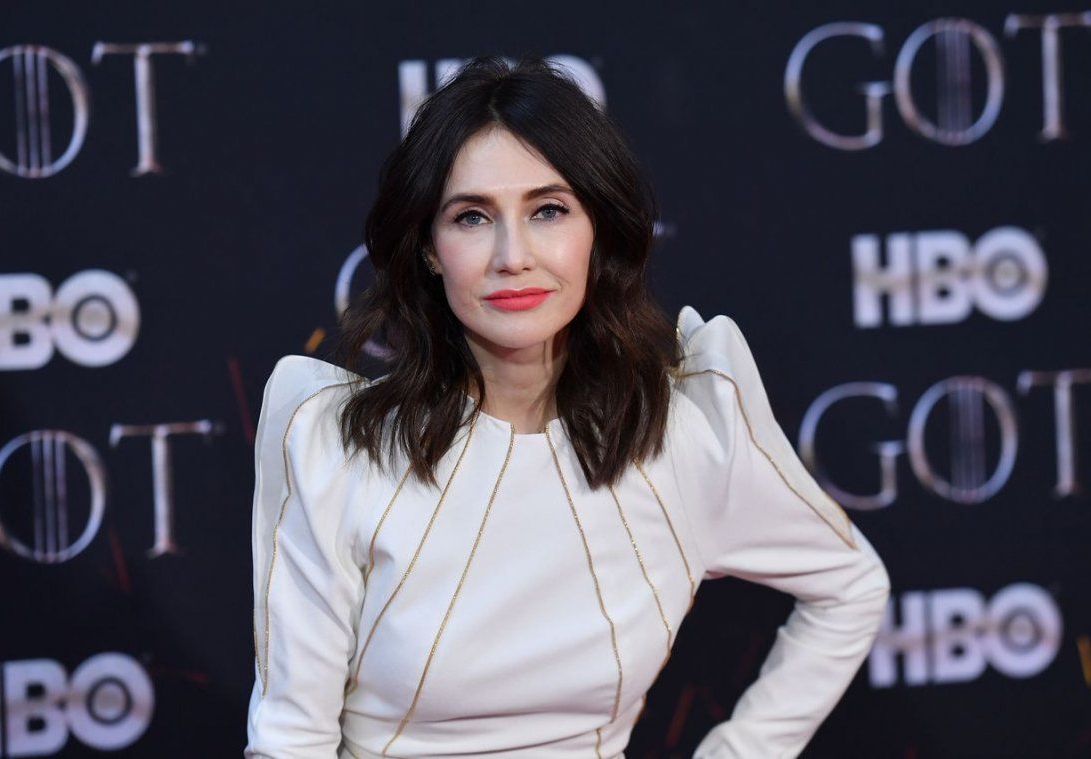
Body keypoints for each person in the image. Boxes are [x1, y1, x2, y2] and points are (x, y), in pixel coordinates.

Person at [243, 55, 890, 759]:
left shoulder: (680, 438)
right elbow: (291, 738)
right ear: (429, 248)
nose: (513, 255)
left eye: (547, 210)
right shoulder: (340, 448)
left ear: (597, 230)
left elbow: (850, 585)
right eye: (471, 217)